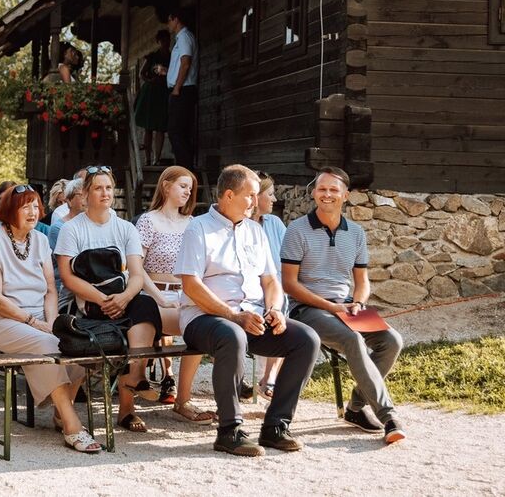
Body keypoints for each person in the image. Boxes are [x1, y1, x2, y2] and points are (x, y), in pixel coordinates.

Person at [174, 164, 320, 456]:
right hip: (204, 319)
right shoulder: (198, 228)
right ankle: (229, 431)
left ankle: (275, 426)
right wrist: (233, 316)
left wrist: (275, 309)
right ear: (229, 195)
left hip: (251, 316)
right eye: (250, 195)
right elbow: (191, 285)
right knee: (232, 335)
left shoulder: (256, 231)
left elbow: (270, 280)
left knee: (306, 340)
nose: (256, 202)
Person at [281, 166, 406, 444]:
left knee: (392, 341)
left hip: (347, 306)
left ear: (345, 195)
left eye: (334, 189)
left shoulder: (356, 233)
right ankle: (389, 417)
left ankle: (356, 407)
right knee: (352, 340)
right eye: (322, 189)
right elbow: (289, 284)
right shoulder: (296, 230)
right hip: (308, 309)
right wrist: (330, 306)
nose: (327, 194)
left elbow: (361, 280)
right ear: (313, 193)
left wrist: (358, 303)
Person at [0, 185, 99, 453]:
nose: (33, 211)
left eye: (36, 205)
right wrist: (33, 323)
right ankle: (72, 424)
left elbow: (51, 290)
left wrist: (52, 323)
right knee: (47, 345)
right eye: (25, 206)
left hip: (37, 318)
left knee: (81, 344)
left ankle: (60, 412)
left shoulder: (40, 239)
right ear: (9, 210)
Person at [56, 167, 162, 433]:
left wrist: (124, 298)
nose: (105, 193)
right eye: (98, 188)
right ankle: (66, 407)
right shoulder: (72, 229)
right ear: (85, 193)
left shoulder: (126, 228)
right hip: (84, 303)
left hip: (121, 298)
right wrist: (105, 300)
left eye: (108, 188)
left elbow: (137, 275)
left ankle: (130, 395)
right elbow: (68, 278)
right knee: (94, 338)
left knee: (146, 305)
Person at [135, 166, 212, 424]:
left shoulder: (193, 224)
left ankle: (183, 398)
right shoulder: (148, 221)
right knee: (146, 319)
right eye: (182, 186)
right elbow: (137, 268)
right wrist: (158, 296)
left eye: (190, 189)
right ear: (166, 186)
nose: (187, 192)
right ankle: (136, 381)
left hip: (186, 295)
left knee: (203, 325)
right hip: (154, 295)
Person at [253, 172, 287, 400]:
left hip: (273, 288)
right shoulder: (238, 224)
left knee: (280, 305)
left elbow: (288, 259)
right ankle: (239, 380)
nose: (274, 199)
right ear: (255, 197)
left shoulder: (274, 223)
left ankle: (270, 377)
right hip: (247, 291)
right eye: (271, 194)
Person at [165, 9, 198, 169]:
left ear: (175, 19)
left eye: (169, 20)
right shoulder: (181, 38)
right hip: (182, 89)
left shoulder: (184, 36)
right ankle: (184, 169)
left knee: (176, 131)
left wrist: (176, 88)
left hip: (183, 90)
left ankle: (185, 170)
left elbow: (186, 63)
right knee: (178, 131)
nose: (168, 25)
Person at [134, 30, 171, 165]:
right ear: (158, 41)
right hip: (151, 92)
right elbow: (142, 73)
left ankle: (157, 159)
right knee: (148, 127)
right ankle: (148, 159)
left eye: (167, 39)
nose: (165, 42)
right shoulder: (153, 57)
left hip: (164, 92)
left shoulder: (172, 57)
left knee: (160, 126)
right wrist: (150, 81)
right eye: (162, 40)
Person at [47, 179, 85, 297]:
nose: (87, 198)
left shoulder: (90, 224)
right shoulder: (58, 228)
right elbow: (73, 268)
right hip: (66, 291)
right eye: (81, 195)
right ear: (69, 200)